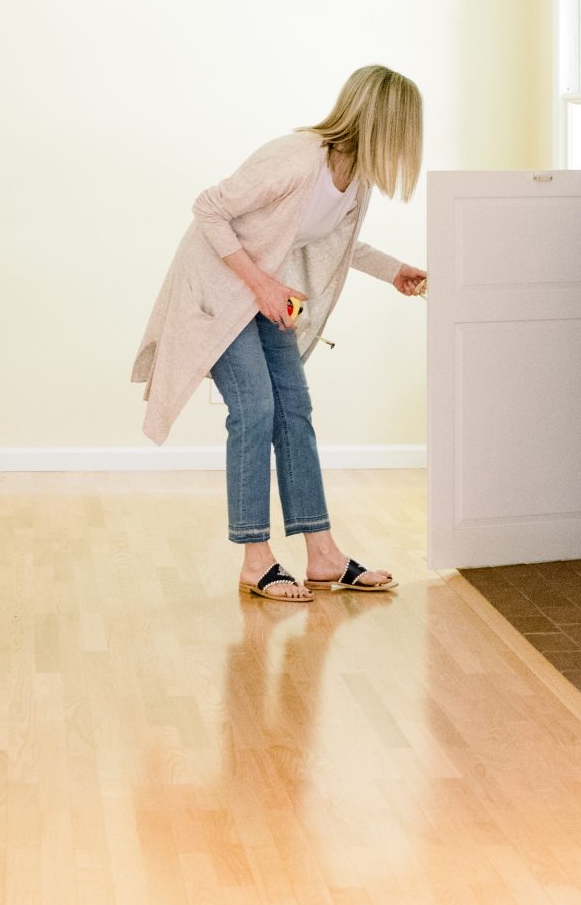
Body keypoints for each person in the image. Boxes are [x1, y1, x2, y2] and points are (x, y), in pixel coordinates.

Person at [131, 66, 430, 602]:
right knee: (255, 410)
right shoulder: (297, 158)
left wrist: (395, 271)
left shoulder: (356, 180)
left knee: (294, 410)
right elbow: (209, 208)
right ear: (383, 122)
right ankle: (256, 560)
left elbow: (338, 243)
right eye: (405, 129)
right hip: (218, 290)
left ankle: (324, 555)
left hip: (267, 292)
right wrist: (262, 285)